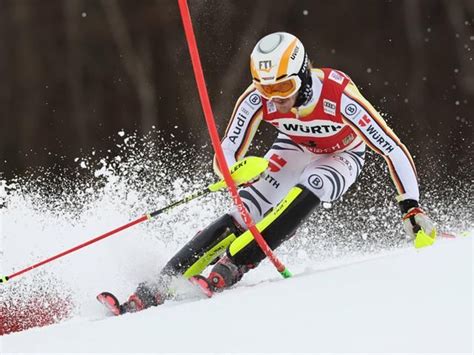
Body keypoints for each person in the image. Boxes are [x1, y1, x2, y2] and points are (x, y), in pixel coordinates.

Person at [99, 32, 436, 315]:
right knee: (244, 210)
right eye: (266, 89)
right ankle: (157, 286)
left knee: (308, 191)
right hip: (293, 146)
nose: (275, 99)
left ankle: (233, 265)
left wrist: (410, 206)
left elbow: (392, 148)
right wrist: (234, 173)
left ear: (303, 74)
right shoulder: (256, 98)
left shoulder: (339, 96)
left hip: (341, 154)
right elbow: (226, 150)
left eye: (283, 88)